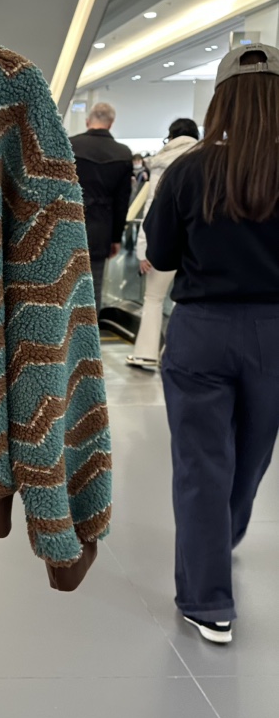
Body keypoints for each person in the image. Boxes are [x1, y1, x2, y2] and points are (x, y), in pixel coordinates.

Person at [145, 43, 279, 645]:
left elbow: (162, 254)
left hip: (202, 331)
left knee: (202, 463)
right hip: (274, 330)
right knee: (252, 455)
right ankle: (222, 538)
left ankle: (208, 600)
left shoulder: (189, 170)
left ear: (220, 100)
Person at [126, 118, 200, 370]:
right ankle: (177, 353)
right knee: (184, 301)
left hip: (165, 243)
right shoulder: (206, 160)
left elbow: (152, 209)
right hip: (195, 246)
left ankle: (146, 354)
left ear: (170, 136)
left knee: (154, 298)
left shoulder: (162, 162)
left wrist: (143, 250)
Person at [70, 103, 134, 315]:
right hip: (101, 229)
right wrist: (116, 237)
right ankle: (88, 333)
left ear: (88, 121)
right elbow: (122, 202)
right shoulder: (123, 153)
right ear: (111, 123)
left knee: (63, 284)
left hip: (69, 224)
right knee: (93, 288)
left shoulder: (70, 145)